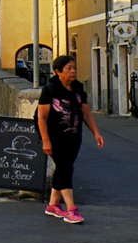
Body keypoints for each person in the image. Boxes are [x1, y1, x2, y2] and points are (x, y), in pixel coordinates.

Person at [37, 54, 104, 224]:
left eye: (74, 68)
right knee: (65, 168)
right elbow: (41, 118)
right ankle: (71, 209)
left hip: (74, 137)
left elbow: (86, 114)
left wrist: (96, 133)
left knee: (63, 168)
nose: (73, 71)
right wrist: (45, 141)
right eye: (69, 68)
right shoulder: (50, 90)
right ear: (58, 71)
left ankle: (53, 205)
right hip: (55, 137)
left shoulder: (78, 89)